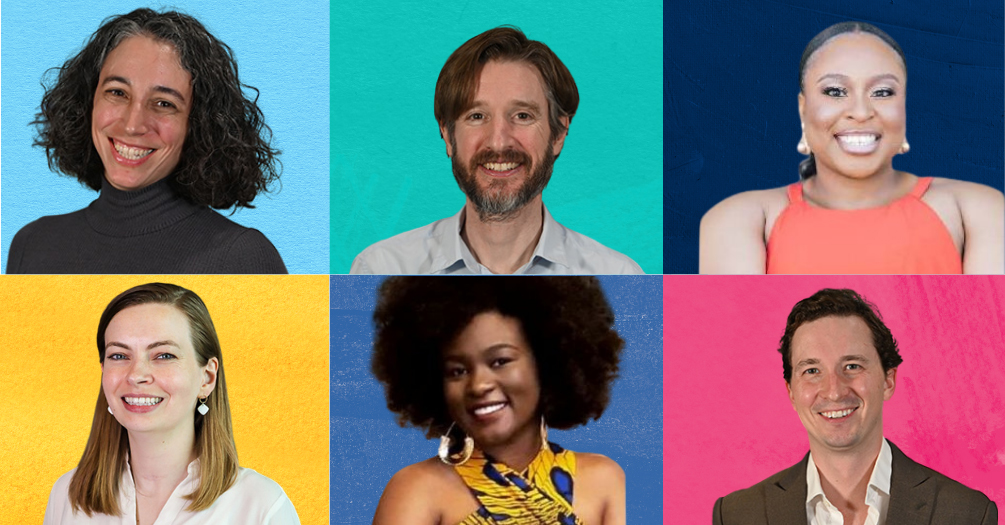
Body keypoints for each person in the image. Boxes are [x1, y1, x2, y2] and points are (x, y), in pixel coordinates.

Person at [699, 22, 1004, 275]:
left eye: (883, 92)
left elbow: (991, 338)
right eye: (835, 91)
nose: (860, 111)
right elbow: (738, 342)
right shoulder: (742, 218)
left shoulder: (976, 210)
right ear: (803, 110)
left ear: (905, 107)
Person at [7, 9, 286, 274]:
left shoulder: (242, 258)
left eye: (164, 103)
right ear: (87, 101)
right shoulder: (31, 245)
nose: (132, 124)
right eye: (117, 92)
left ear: (198, 124)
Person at [351, 27, 642, 275]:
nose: (499, 142)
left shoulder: (619, 278)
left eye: (523, 116)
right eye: (477, 116)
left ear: (559, 133)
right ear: (447, 136)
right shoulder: (380, 270)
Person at [713, 288, 997, 525]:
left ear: (888, 380)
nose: (834, 391)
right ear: (791, 392)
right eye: (812, 371)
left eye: (852, 366)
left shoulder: (968, 514)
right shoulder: (738, 515)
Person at [370, 277, 627, 524]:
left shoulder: (604, 480)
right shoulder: (417, 489)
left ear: (547, 363)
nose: (479, 385)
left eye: (500, 361)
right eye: (457, 371)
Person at [43, 283, 299, 524]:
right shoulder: (67, 495)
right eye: (119, 355)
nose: (136, 375)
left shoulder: (262, 507)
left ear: (207, 378)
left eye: (164, 355)